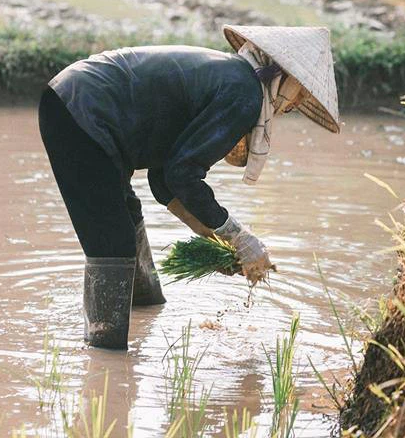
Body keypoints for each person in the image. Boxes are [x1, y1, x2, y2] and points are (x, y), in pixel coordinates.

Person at [38, 25, 340, 350]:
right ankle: (105, 355)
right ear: (287, 76)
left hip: (78, 102)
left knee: (126, 218)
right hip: (81, 112)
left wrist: (220, 244)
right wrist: (239, 237)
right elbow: (183, 175)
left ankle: (144, 308)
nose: (297, 103)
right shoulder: (244, 92)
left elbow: (164, 180)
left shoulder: (234, 77)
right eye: (303, 92)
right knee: (112, 242)